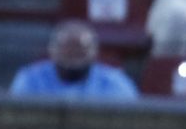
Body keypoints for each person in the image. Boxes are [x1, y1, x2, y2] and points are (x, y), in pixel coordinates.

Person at [9, 20, 139, 99]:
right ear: (52, 50)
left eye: (81, 48)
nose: (74, 53)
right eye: (67, 47)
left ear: (94, 52)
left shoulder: (115, 82)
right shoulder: (30, 79)